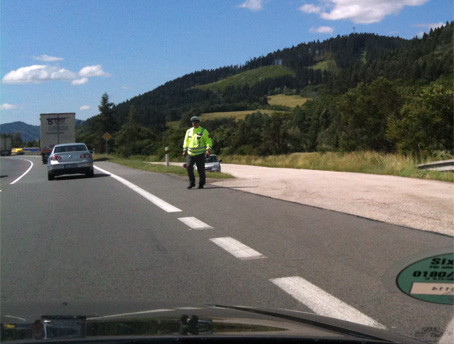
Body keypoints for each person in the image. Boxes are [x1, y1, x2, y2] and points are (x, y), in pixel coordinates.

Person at [183, 116, 212, 189]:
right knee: (189, 167)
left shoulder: (203, 131)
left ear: (199, 123)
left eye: (196, 122)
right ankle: (191, 182)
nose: (194, 124)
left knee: (201, 169)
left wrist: (208, 149)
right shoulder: (189, 131)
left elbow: (208, 141)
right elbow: (186, 141)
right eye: (193, 123)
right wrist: (184, 150)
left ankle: (201, 183)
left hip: (200, 154)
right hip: (190, 153)